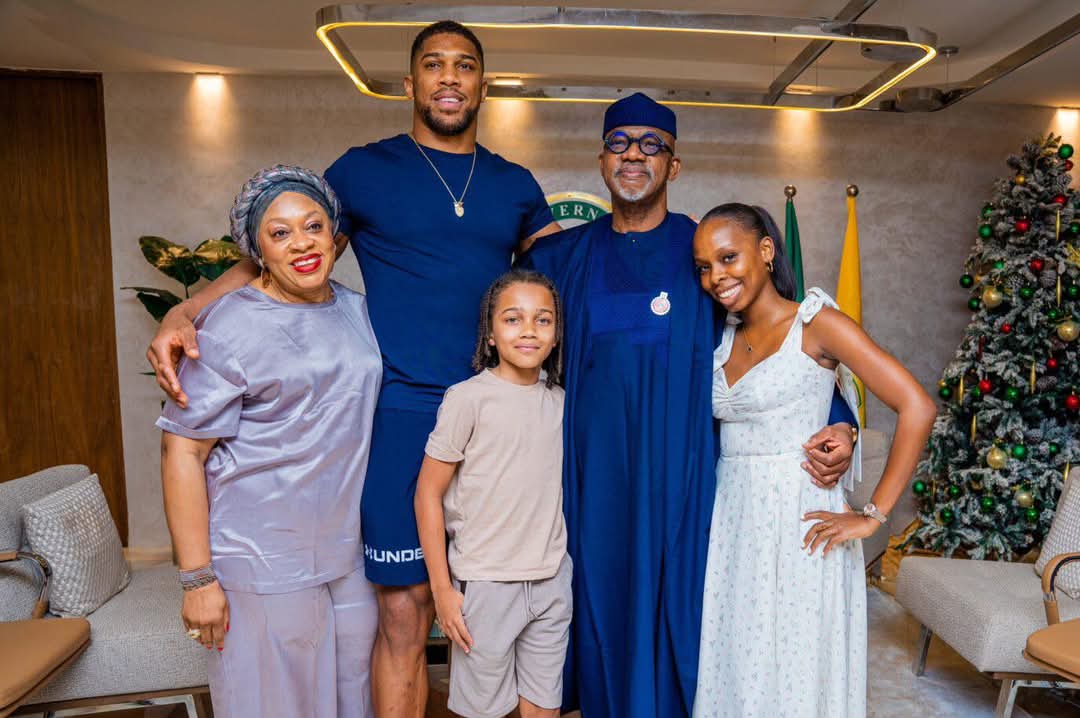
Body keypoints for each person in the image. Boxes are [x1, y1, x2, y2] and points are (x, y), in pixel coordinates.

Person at [146, 21, 561, 717]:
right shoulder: (363, 170)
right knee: (403, 609)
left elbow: (567, 277)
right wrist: (185, 311)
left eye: (464, 65)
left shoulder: (515, 183)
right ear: (410, 82)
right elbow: (279, 248)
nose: (449, 77)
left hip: (496, 413)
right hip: (400, 413)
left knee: (500, 595)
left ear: (484, 84)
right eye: (434, 64)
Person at [518, 93, 860, 718]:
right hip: (594, 481)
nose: (634, 155)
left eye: (651, 145)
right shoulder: (561, 260)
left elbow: (781, 343)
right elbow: (510, 344)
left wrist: (842, 422)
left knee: (693, 616)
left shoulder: (707, 256)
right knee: (597, 603)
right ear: (601, 161)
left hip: (690, 481)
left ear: (673, 166)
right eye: (619, 143)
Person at [691, 204, 937, 717]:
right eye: (704, 267)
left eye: (728, 258)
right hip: (734, 523)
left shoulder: (816, 322)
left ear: (765, 250)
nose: (716, 277)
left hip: (802, 522)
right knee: (738, 663)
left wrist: (873, 515)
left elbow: (917, 406)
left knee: (797, 668)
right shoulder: (718, 335)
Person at [157, 165, 382, 717]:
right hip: (261, 559)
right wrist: (197, 579)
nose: (301, 243)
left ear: (334, 236)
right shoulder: (228, 327)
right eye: (280, 233)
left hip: (347, 555)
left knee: (353, 702)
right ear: (256, 250)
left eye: (313, 226)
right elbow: (182, 451)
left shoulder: (357, 310)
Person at [415, 270, 570, 718]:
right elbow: (427, 494)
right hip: (486, 584)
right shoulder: (467, 399)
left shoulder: (561, 401)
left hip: (551, 580)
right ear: (490, 334)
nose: (528, 330)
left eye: (543, 320)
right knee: (483, 711)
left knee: (544, 707)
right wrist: (442, 591)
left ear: (556, 335)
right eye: (513, 319)